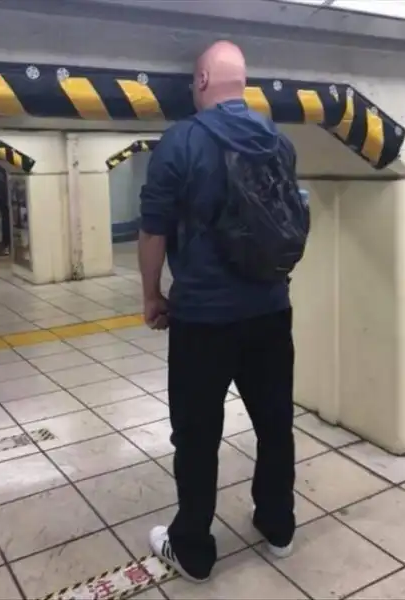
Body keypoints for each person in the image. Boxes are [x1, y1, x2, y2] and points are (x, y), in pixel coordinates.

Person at [138, 41, 309, 582]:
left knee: (196, 436)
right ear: (244, 84)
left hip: (203, 320)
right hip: (270, 311)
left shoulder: (181, 140)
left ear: (203, 80)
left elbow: (153, 230)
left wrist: (152, 295)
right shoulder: (278, 141)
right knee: (275, 422)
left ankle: (192, 548)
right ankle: (278, 525)